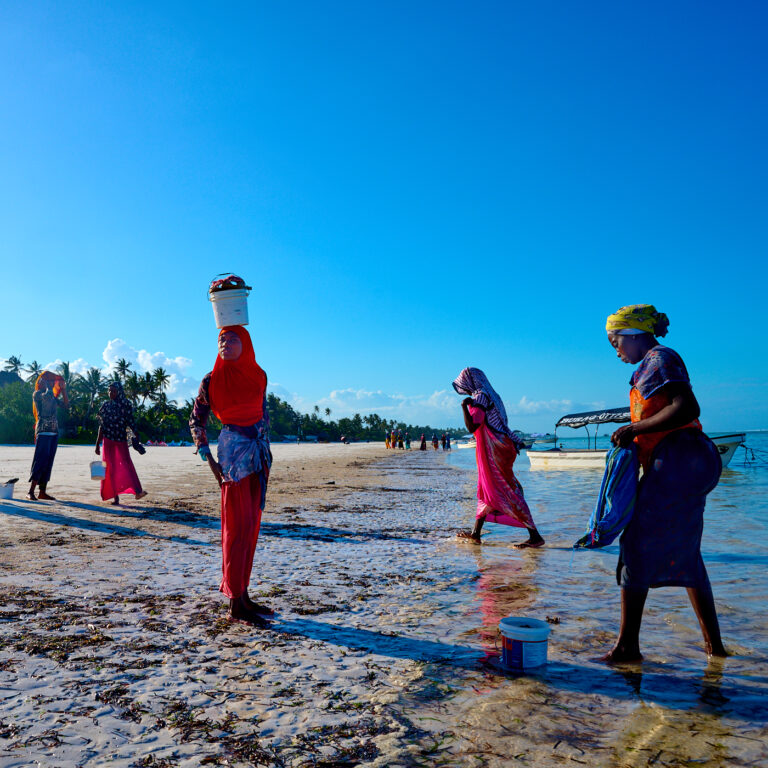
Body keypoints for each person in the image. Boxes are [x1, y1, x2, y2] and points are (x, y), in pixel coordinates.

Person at [603, 304, 726, 662]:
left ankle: (627, 648)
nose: (616, 351)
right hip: (685, 462)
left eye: (616, 343)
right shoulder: (652, 364)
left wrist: (634, 429)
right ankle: (715, 648)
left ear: (633, 335)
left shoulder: (660, 358)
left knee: (635, 547)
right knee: (686, 552)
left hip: (677, 461)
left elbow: (687, 408)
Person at [190, 325, 274, 626]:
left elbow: (264, 416)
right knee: (234, 528)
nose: (225, 342)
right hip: (231, 456)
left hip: (258, 456)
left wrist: (264, 451)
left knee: (251, 526)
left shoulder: (259, 376)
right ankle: (234, 603)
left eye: (232, 338)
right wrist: (207, 457)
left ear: (246, 344)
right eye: (221, 339)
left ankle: (244, 595)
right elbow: (196, 420)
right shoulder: (211, 380)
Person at [453, 367, 544, 548]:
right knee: (487, 489)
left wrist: (464, 407)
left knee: (507, 490)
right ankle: (476, 534)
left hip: (496, 449)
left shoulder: (480, 396)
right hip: (503, 445)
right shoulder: (494, 396)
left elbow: (473, 426)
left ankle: (535, 536)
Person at [95, 382, 148, 505]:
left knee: (127, 465)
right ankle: (115, 497)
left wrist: (136, 441)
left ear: (119, 392)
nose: (110, 393)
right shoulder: (105, 406)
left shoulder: (126, 405)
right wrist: (97, 444)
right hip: (108, 440)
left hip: (121, 440)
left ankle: (138, 492)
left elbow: (131, 423)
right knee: (110, 468)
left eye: (113, 391)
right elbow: (101, 427)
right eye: (109, 391)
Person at [27, 371, 68, 501]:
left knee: (48, 462)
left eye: (50, 382)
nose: (50, 384)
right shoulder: (37, 394)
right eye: (46, 381)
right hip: (43, 431)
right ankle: (30, 491)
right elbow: (47, 398)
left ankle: (42, 492)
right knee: (40, 460)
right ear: (40, 382)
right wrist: (49, 387)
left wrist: (64, 390)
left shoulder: (52, 396)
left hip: (54, 432)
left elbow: (66, 406)